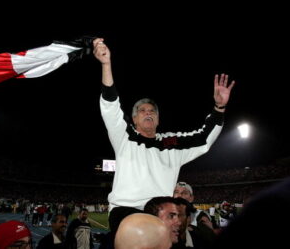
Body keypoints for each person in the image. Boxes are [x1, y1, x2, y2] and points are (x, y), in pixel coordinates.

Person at [93, 38, 235, 234]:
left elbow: (203, 139)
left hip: (160, 212)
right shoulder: (125, 137)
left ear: (158, 120)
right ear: (134, 119)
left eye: (152, 111)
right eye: (142, 111)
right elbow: (111, 108)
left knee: (175, 231)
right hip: (125, 211)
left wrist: (219, 108)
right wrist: (106, 65)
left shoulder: (172, 143)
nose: (148, 113)